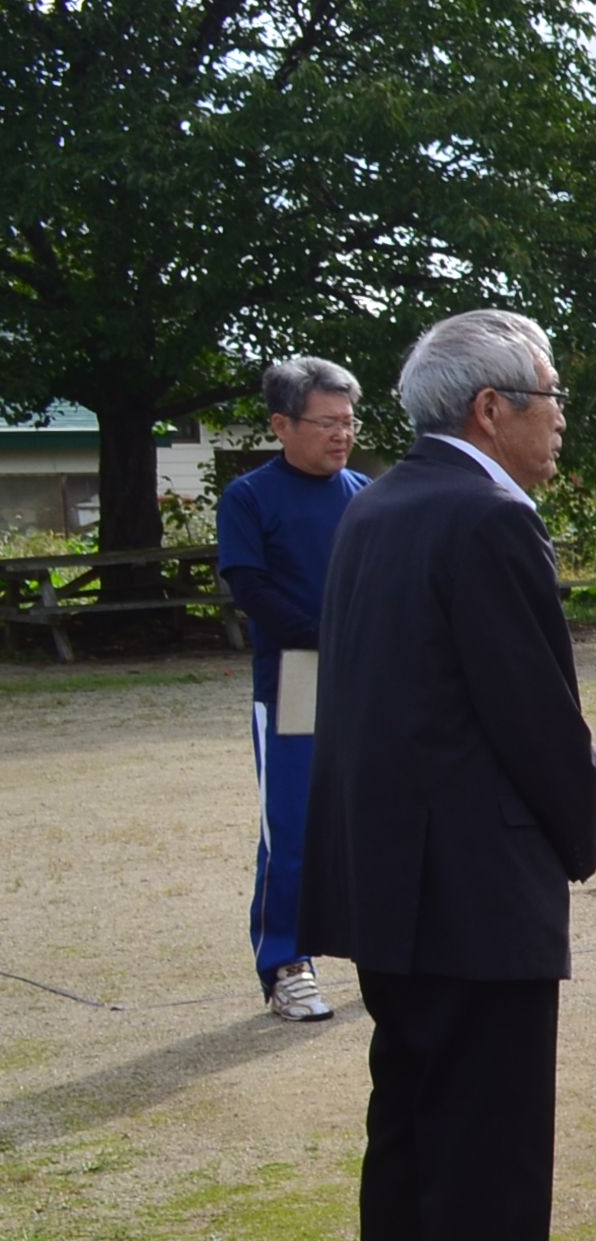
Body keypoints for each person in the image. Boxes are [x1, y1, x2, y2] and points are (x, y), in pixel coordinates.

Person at [297, 310, 596, 1241]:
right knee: (487, 1148)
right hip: (474, 884)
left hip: (390, 880)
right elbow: (535, 712)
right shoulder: (486, 515)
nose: (561, 419)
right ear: (493, 409)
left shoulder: (379, 505)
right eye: (550, 396)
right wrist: (577, 833)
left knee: (415, 1138)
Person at [215, 355, 370, 1022]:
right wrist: (328, 636)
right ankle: (285, 964)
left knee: (376, 814)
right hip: (295, 676)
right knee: (294, 826)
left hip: (368, 675)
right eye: (326, 421)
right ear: (282, 424)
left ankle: (388, 948)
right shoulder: (249, 497)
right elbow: (249, 586)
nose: (342, 434)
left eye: (349, 421)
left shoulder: (367, 493)